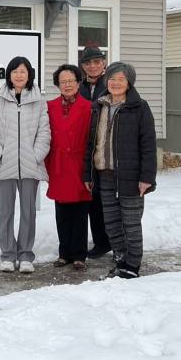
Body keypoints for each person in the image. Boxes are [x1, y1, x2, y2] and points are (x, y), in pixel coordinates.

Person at [83, 62, 157, 279]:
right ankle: (120, 259)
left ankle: (132, 266)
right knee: (112, 224)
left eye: (121, 79)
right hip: (104, 175)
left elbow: (148, 145)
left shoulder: (139, 107)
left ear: (129, 83)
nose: (115, 83)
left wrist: (146, 178)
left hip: (130, 176)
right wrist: (88, 174)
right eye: (112, 79)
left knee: (131, 224)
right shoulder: (99, 106)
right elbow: (91, 144)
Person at [0, 56, 50, 274]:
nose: (19, 75)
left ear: (29, 75)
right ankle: (8, 255)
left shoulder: (39, 102)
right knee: (6, 212)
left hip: (30, 166)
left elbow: (44, 133)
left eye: (23, 71)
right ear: (9, 75)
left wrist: (36, 156)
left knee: (29, 212)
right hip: (5, 165)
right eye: (15, 71)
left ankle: (26, 255)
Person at [44, 65, 92, 270]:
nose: (67, 85)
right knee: (61, 210)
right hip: (58, 163)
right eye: (63, 82)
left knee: (80, 211)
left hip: (79, 163)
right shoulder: (50, 106)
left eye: (71, 80)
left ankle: (79, 254)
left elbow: (92, 139)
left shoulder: (89, 107)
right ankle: (64, 253)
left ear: (78, 82)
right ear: (58, 85)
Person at [77, 45, 111, 260]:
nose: (92, 66)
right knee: (91, 197)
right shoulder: (79, 87)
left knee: (108, 198)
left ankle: (113, 240)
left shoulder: (111, 84)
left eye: (96, 61)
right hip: (84, 147)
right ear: (83, 66)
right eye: (88, 63)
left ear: (103, 63)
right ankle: (100, 241)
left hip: (106, 147)